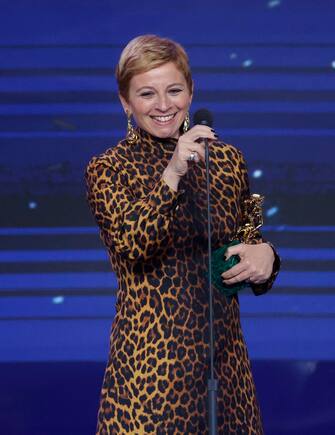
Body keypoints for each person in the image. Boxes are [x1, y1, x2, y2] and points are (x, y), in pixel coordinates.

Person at [86, 34, 280, 435]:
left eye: (174, 90)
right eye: (146, 93)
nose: (162, 105)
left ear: (191, 92)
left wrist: (268, 257)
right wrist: (173, 172)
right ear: (125, 101)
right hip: (149, 377)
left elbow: (246, 244)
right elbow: (135, 245)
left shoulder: (226, 160)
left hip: (225, 374)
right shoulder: (108, 168)